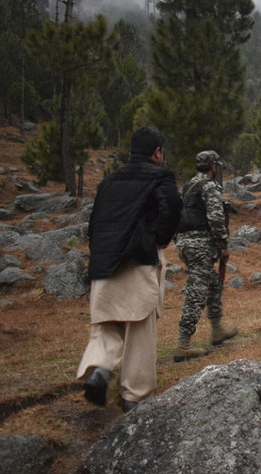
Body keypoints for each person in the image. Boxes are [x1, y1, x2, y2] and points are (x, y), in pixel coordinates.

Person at [77, 126, 182, 413]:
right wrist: (159, 239)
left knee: (106, 325)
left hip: (103, 264)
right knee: (140, 330)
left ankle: (99, 370)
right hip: (139, 260)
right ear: (157, 152)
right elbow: (173, 207)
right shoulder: (160, 176)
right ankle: (135, 397)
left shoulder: (108, 181)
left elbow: (93, 224)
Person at [174, 150, 238, 363]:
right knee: (196, 292)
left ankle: (217, 328)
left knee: (213, 284)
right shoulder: (210, 187)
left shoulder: (187, 187)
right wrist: (223, 245)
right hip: (200, 245)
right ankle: (183, 344)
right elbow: (216, 218)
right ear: (213, 167)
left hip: (184, 244)